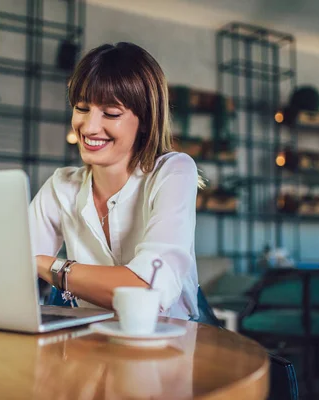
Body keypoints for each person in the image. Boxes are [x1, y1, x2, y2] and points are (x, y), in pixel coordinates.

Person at [29, 42, 203, 320]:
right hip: (88, 345)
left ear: (145, 119)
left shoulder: (174, 171)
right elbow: (8, 269)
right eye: (81, 108)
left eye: (111, 113)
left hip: (168, 346)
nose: (89, 126)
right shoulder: (61, 186)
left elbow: (146, 292)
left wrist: (47, 266)